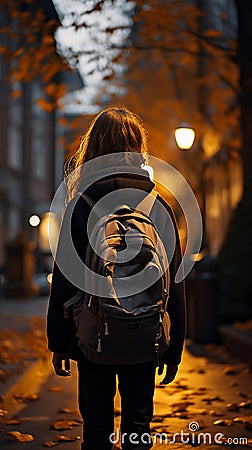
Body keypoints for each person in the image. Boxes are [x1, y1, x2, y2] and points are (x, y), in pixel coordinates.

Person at [47, 106, 186, 450]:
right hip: (146, 332)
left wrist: (60, 341)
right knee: (138, 426)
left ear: (93, 149)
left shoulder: (82, 203)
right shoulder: (159, 203)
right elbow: (175, 282)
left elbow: (65, 279)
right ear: (137, 148)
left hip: (94, 335)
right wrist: (174, 349)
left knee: (96, 429)